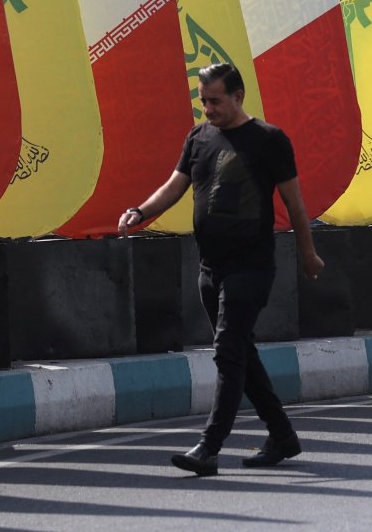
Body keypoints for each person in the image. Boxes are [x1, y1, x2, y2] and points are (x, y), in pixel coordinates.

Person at [117, 62, 324, 476]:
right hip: (210, 268)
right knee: (241, 353)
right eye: (203, 101)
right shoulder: (198, 137)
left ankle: (209, 447)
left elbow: (295, 205)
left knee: (228, 352)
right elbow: (175, 186)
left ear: (238, 96)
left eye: (215, 101)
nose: (208, 109)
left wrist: (307, 253)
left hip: (251, 266)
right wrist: (141, 211)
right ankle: (282, 436)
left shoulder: (269, 140)